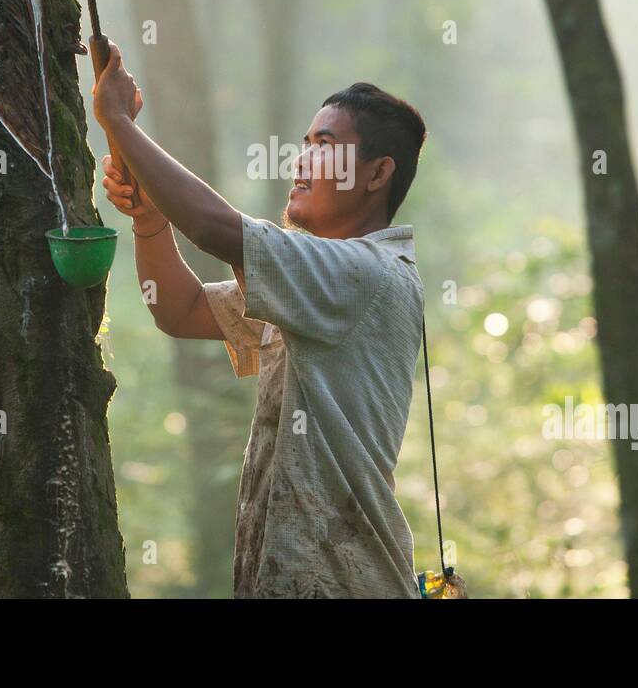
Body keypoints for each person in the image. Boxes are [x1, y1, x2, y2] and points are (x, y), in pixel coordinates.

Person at [92, 41, 428, 598]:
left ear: (377, 174)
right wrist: (150, 218)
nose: (301, 160)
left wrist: (119, 121)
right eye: (304, 144)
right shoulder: (312, 281)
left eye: (325, 145)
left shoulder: (366, 272)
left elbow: (217, 230)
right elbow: (182, 309)